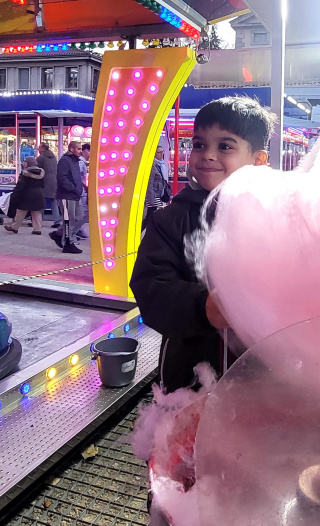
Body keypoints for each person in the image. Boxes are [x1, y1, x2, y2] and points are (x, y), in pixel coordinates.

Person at [130, 96, 275, 393]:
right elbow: (151, 287)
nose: (207, 155)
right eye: (198, 144)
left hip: (263, 379)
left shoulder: (275, 216)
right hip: (190, 378)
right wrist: (203, 306)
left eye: (225, 146)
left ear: (257, 160)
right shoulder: (170, 220)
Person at [48, 141, 85, 254]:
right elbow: (62, 178)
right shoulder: (65, 161)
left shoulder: (75, 161)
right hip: (66, 195)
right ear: (71, 149)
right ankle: (68, 243)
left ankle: (59, 234)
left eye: (80, 149)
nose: (80, 151)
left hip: (74, 195)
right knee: (69, 219)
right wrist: (73, 188)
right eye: (78, 149)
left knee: (79, 217)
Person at [4, 156, 45, 235]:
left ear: (28, 163)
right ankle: (37, 229)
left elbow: (20, 186)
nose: (23, 163)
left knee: (21, 211)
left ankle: (14, 227)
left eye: (25, 162)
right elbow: (43, 185)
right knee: (36, 212)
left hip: (26, 195)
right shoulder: (41, 173)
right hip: (38, 194)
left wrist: (14, 195)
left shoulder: (24, 174)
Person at [143, 145, 168, 229]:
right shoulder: (152, 166)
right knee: (150, 216)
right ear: (154, 154)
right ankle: (139, 232)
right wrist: (151, 199)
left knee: (151, 216)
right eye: (159, 152)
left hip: (158, 194)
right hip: (153, 196)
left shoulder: (160, 165)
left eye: (162, 152)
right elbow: (149, 184)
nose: (161, 154)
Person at [36, 143, 59, 226]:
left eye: (39, 147)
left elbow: (36, 169)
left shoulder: (41, 158)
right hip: (54, 181)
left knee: (41, 201)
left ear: (43, 148)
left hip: (44, 181)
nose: (38, 149)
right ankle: (57, 220)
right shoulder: (53, 157)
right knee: (53, 201)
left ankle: (38, 220)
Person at [77, 143, 90, 240]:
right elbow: (78, 178)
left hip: (81, 191)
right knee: (82, 213)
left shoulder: (82, 163)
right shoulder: (81, 163)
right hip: (80, 191)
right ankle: (76, 230)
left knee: (82, 213)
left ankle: (77, 229)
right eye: (89, 151)